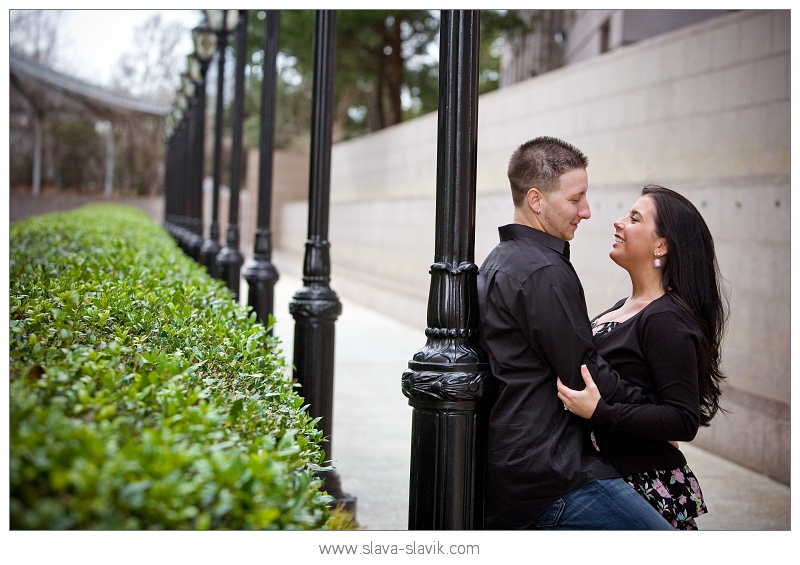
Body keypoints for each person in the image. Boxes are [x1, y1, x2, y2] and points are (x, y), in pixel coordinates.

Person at [477, 136, 672, 530]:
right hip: (554, 475)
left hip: (522, 465)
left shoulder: (500, 260)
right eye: (575, 199)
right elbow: (584, 372)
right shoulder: (543, 272)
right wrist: (653, 412)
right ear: (536, 200)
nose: (586, 211)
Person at [557, 184, 728, 529]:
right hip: (602, 476)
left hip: (641, 485)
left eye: (634, 218)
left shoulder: (666, 318)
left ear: (661, 245)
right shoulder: (624, 307)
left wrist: (601, 412)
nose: (618, 223)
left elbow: (683, 419)